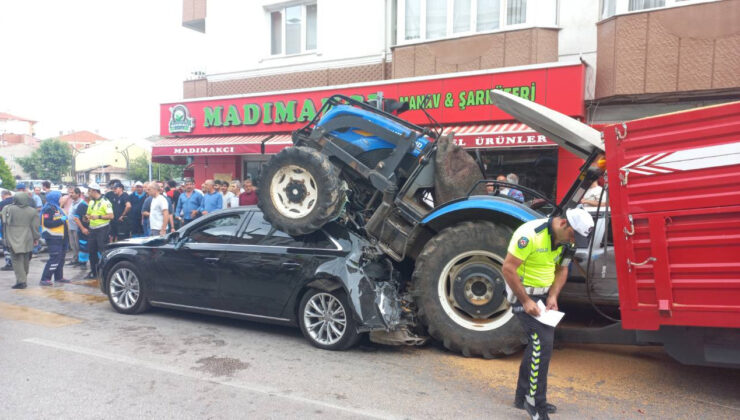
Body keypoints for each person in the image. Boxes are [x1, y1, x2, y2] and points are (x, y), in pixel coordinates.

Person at [502, 208, 593, 420]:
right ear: (563, 223)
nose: (573, 241)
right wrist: (525, 301)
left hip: (542, 297)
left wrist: (552, 296)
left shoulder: (566, 242)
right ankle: (535, 403)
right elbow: (508, 268)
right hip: (520, 293)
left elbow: (562, 270)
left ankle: (522, 396)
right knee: (543, 344)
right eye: (572, 235)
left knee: (538, 343)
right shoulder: (530, 234)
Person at [1, 192, 41, 289]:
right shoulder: (32, 211)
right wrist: (36, 238)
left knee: (16, 259)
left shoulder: (8, 208)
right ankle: (23, 278)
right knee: (26, 259)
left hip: (12, 236)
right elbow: (35, 227)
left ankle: (21, 281)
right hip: (27, 236)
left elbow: (3, 219)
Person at [40, 191, 70, 286]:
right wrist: (62, 220)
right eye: (60, 197)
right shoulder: (48, 209)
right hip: (53, 238)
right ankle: (45, 278)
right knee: (55, 258)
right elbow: (48, 223)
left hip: (61, 238)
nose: (61, 199)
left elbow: (59, 219)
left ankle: (59, 277)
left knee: (61, 258)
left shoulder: (57, 208)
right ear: (55, 198)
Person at [85, 183, 113, 280]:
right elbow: (88, 214)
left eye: (89, 191)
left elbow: (111, 216)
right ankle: (94, 271)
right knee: (91, 251)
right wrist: (86, 218)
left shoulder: (105, 201)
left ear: (94, 191)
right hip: (92, 228)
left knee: (103, 250)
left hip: (103, 228)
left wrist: (99, 217)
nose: (88, 193)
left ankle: (107, 271)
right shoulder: (91, 202)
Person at [66, 188, 84, 266]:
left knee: (78, 245)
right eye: (70, 193)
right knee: (73, 245)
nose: (71, 194)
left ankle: (80, 260)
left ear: (78, 194)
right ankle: (74, 259)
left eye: (72, 193)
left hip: (77, 227)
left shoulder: (81, 203)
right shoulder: (72, 202)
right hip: (71, 227)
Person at [0, 190, 15, 270]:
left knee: (6, 246)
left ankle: (9, 263)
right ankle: (17, 263)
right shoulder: (17, 202)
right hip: (17, 228)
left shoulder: (2, 204)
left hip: (5, 228)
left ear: (4, 195)